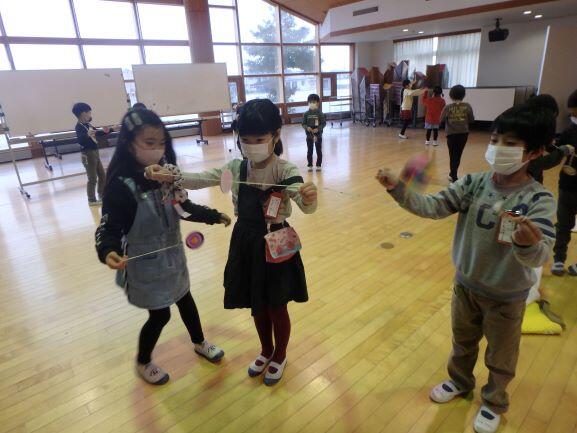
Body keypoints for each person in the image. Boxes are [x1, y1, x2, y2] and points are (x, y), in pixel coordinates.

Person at [376, 100, 556, 433]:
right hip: (465, 285)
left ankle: (494, 401)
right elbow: (432, 206)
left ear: (533, 153)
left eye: (510, 144)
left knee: (501, 356)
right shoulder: (473, 183)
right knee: (462, 342)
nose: (498, 148)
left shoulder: (537, 199)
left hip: (506, 296)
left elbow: (540, 255)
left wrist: (527, 243)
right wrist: (398, 188)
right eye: (495, 140)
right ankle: (460, 381)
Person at [146, 99, 318, 386]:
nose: (251, 145)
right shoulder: (236, 168)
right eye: (245, 139)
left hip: (276, 242)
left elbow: (302, 200)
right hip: (246, 241)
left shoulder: (284, 169)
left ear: (276, 135)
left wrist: (308, 197)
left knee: (277, 306)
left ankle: (280, 355)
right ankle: (265, 350)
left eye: (259, 139)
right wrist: (169, 175)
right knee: (257, 304)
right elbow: (201, 179)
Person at [95, 109, 230, 385]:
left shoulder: (167, 176)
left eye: (161, 143)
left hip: (173, 257)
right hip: (145, 265)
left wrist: (213, 215)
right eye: (149, 143)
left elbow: (183, 208)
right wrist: (108, 250)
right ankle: (143, 361)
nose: (157, 149)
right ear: (129, 143)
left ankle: (199, 342)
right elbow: (109, 227)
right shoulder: (121, 186)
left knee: (186, 299)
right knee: (160, 315)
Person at [551, 89, 577, 276]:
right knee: (563, 225)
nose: (573, 116)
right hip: (567, 185)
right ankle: (559, 259)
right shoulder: (570, 130)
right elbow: (557, 151)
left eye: (575, 112)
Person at [72, 102, 116, 206]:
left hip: (95, 153)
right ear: (83, 114)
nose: (90, 115)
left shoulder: (88, 125)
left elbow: (98, 133)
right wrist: (87, 135)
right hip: (87, 154)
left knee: (102, 176)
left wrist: (111, 129)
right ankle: (91, 199)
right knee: (92, 178)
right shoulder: (79, 127)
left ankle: (101, 195)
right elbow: (80, 141)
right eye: (89, 113)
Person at [440, 85, 475, 182]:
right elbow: (471, 119)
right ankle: (453, 174)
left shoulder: (448, 107)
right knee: (458, 155)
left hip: (451, 135)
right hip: (463, 134)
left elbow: (441, 119)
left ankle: (453, 177)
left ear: (451, 95)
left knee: (452, 155)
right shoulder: (467, 106)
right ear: (463, 95)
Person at [302, 94, 326, 172]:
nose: (312, 103)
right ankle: (310, 165)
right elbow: (303, 124)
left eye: (314, 102)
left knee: (318, 150)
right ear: (308, 103)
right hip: (309, 135)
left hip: (318, 136)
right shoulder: (306, 114)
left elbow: (323, 124)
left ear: (317, 103)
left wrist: (318, 129)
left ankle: (318, 165)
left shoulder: (320, 113)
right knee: (309, 150)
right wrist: (307, 127)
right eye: (310, 102)